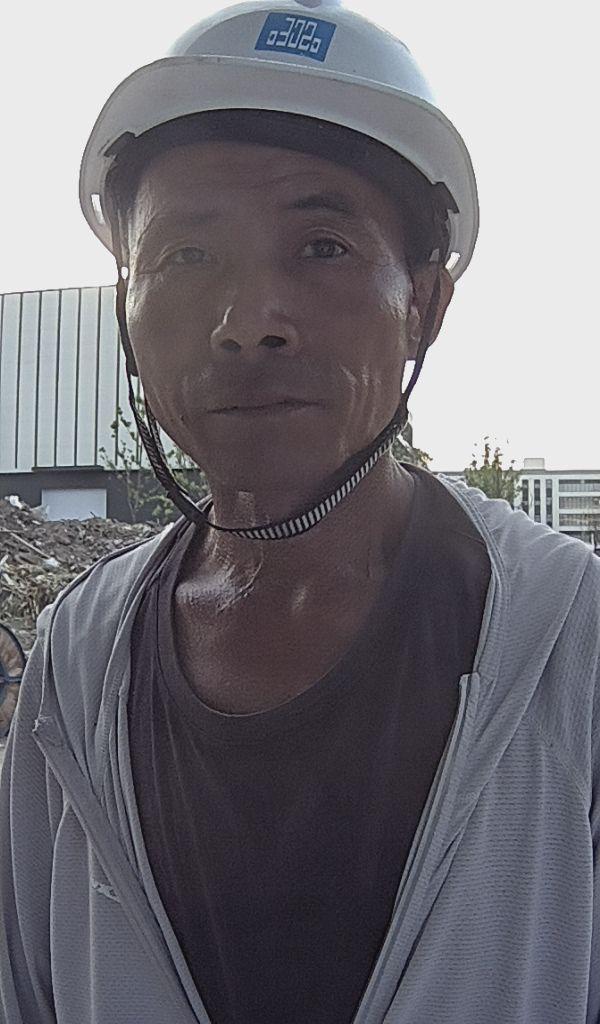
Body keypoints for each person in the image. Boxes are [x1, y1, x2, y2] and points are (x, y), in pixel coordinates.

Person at [1, 2, 599, 1022]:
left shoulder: (571, 641)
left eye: (321, 246)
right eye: (187, 257)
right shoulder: (77, 663)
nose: (248, 325)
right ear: (128, 315)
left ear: (424, 306)